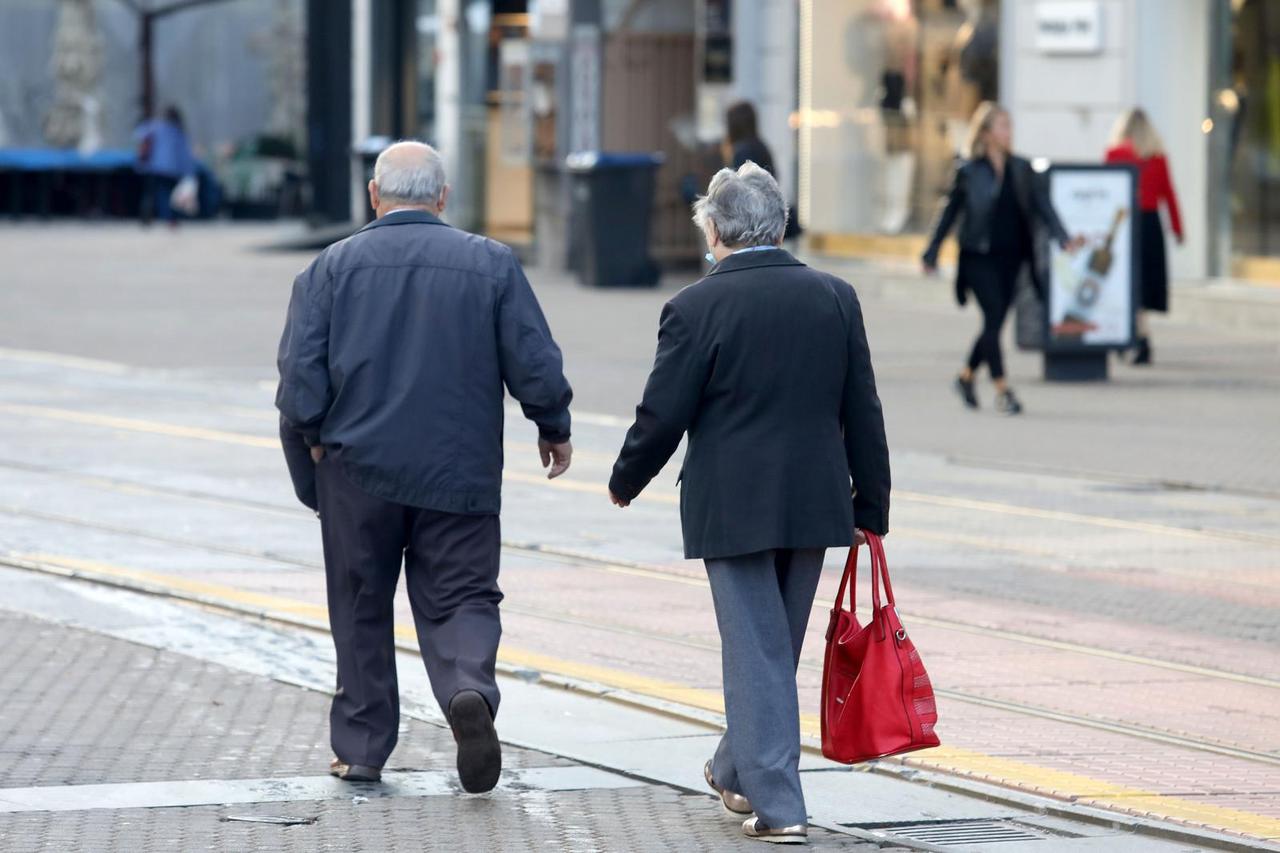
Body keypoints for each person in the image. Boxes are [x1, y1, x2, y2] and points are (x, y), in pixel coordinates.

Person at [276, 141, 574, 794]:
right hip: (457, 472)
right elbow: (535, 360)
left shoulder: (332, 267)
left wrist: (313, 447)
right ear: (443, 198)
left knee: (359, 606)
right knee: (464, 596)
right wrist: (552, 425)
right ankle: (468, 687)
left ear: (374, 197)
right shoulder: (491, 263)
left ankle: (361, 748)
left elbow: (299, 377)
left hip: (357, 469)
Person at [608, 162, 890, 845]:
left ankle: (782, 804)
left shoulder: (695, 307)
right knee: (772, 649)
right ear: (780, 224)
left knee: (758, 651)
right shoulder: (834, 296)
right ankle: (735, 766)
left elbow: (662, 412)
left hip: (731, 507)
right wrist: (870, 503)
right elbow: (864, 407)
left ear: (717, 228)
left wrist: (625, 478)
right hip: (815, 501)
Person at [922, 102, 1080, 415]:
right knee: (994, 317)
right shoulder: (968, 172)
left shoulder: (1021, 168)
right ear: (986, 132)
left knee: (993, 323)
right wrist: (932, 251)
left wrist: (1063, 238)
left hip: (1012, 258)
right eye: (1003, 126)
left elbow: (1042, 206)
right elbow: (949, 213)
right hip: (978, 257)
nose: (1009, 132)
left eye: (1009, 126)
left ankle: (966, 377)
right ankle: (1002, 389)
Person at [1106, 108, 1182, 365]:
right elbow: (1169, 195)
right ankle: (1139, 337)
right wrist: (1177, 228)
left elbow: (1107, 194)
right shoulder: (1157, 158)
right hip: (1150, 224)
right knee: (1142, 283)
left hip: (1126, 223)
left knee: (1127, 283)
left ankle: (1133, 337)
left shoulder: (1114, 155)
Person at [133, 106, 196, 226]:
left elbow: (139, 134)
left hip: (155, 167)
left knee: (154, 193)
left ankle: (151, 217)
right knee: (169, 194)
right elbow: (184, 154)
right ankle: (170, 217)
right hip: (173, 169)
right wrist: (189, 172)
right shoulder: (179, 131)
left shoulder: (155, 127)